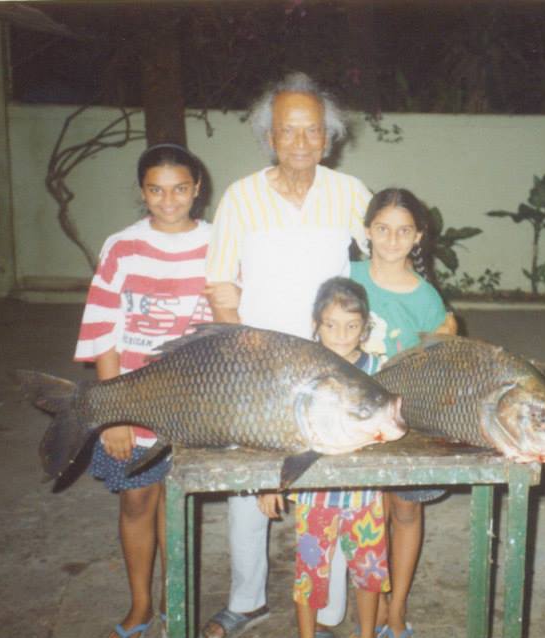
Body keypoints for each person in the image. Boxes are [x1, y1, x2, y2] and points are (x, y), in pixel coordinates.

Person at [201, 72, 373, 638]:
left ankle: (326, 611)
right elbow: (221, 286)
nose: (300, 142)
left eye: (312, 131)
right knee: (253, 482)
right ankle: (248, 598)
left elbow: (382, 264)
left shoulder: (349, 193)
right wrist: (238, 357)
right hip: (259, 365)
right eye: (288, 131)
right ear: (269, 137)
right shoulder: (241, 196)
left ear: (329, 138)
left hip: (331, 369)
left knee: (333, 485)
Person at [74, 143, 212, 638]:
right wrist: (112, 414)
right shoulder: (122, 246)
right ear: (142, 191)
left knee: (177, 503)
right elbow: (103, 328)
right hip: (132, 401)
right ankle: (141, 604)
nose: (168, 200)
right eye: (156, 189)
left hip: (194, 406)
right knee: (136, 502)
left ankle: (177, 601)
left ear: (197, 189)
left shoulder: (219, 245)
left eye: (179, 189)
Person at [349, 187, 457, 638]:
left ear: (418, 237)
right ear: (366, 231)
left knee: (406, 512)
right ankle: (365, 612)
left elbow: (439, 365)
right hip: (352, 414)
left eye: (403, 230)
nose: (391, 239)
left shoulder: (428, 298)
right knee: (361, 513)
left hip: (408, 419)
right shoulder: (346, 277)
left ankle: (397, 609)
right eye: (382, 228)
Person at [258, 277, 390, 638]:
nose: (341, 335)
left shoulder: (380, 369)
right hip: (314, 492)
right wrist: (271, 482)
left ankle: (366, 634)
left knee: (369, 571)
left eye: (351, 326)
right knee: (310, 573)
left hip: (366, 493)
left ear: (365, 328)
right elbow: (281, 428)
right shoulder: (302, 367)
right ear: (316, 324)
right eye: (331, 325)